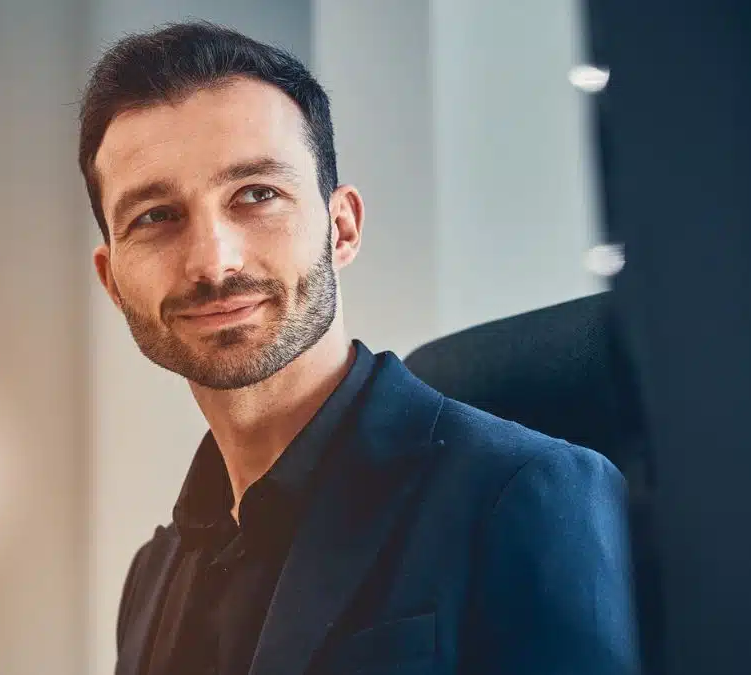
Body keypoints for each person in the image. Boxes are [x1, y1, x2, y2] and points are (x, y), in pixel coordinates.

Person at [78, 21, 640, 675]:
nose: (213, 261)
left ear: (341, 228)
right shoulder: (152, 576)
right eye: (156, 216)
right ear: (113, 279)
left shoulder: (526, 494)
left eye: (256, 195)